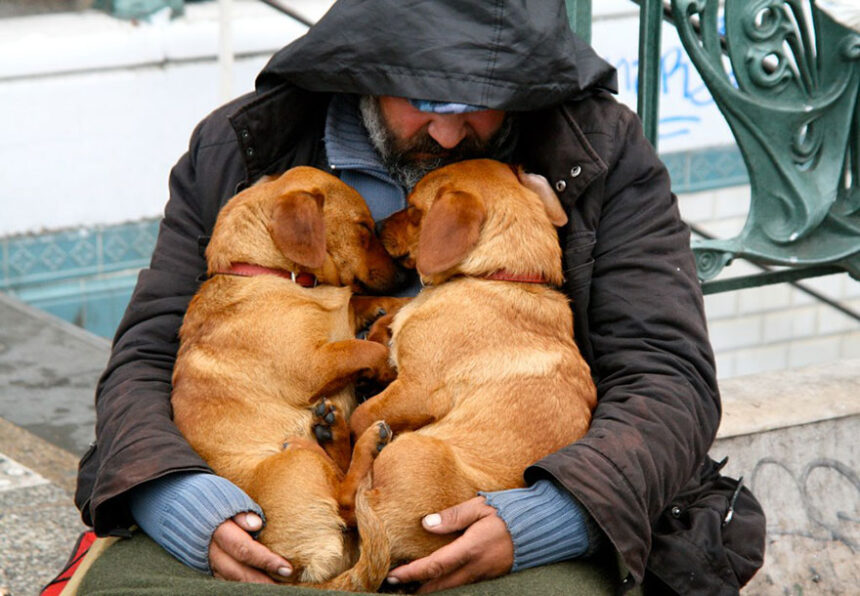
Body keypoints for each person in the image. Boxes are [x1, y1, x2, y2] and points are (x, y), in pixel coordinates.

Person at [74, 0, 765, 593]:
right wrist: (173, 493)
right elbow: (147, 351)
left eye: (482, 105)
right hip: (264, 486)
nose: (447, 132)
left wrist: (555, 516)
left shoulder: (600, 149)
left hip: (504, 496)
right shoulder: (242, 144)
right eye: (425, 103)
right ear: (364, 68)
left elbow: (667, 375)